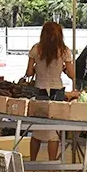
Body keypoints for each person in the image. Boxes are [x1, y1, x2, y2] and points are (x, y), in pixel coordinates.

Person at [23, 21, 76, 161]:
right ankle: (52, 167)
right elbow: (72, 75)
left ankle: (33, 163)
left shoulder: (36, 49)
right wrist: (63, 68)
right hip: (56, 90)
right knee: (53, 130)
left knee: (37, 128)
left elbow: (28, 73)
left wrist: (36, 68)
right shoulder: (64, 51)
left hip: (40, 90)